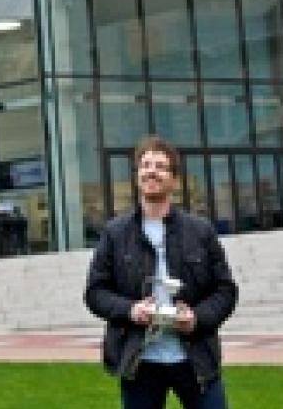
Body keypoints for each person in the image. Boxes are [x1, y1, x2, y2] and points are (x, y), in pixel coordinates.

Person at [84, 136, 238, 409]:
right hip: (140, 362)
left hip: (195, 358)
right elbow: (95, 292)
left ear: (174, 180)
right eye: (145, 165)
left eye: (160, 166)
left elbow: (225, 291)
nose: (151, 171)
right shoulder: (115, 233)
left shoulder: (200, 231)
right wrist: (131, 310)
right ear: (137, 176)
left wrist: (196, 318)